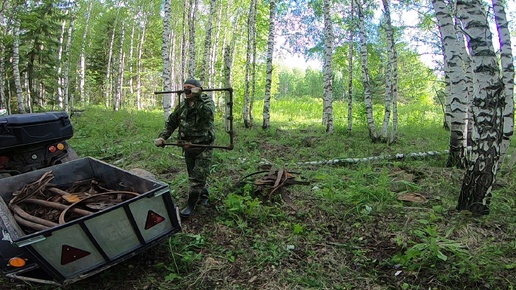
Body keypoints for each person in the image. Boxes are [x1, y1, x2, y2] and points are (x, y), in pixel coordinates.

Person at [154, 79, 215, 218]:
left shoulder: (206, 102)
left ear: (198, 89)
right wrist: (163, 137)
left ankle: (191, 205)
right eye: (185, 88)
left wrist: (197, 98)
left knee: (197, 177)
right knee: (193, 173)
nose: (187, 91)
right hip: (188, 146)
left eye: (190, 88)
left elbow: (208, 116)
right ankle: (203, 195)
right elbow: (172, 122)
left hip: (203, 146)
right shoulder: (183, 105)